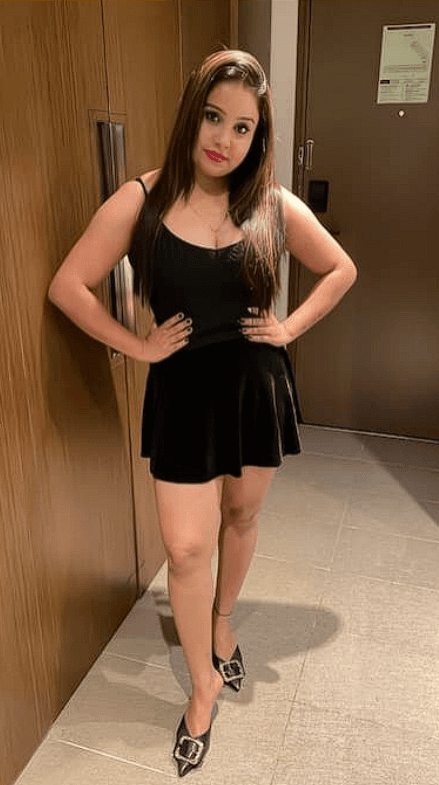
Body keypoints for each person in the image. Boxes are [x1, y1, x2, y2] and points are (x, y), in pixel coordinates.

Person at [48, 48, 357, 776]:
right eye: (214, 117)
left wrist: (288, 327)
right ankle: (201, 686)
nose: (224, 138)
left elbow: (339, 268)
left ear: (258, 136)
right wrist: (137, 345)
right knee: (186, 549)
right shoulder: (142, 200)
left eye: (243, 127)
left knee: (241, 518)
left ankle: (222, 625)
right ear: (192, 113)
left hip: (254, 387)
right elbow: (69, 285)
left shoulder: (271, 204)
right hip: (183, 395)